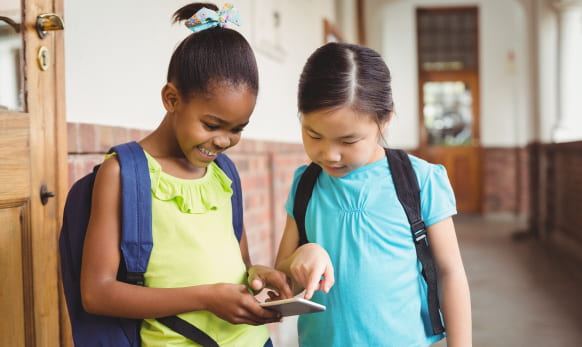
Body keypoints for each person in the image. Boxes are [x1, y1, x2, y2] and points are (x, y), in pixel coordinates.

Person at [80, 3, 292, 346]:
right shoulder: (125, 173)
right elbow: (97, 293)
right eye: (211, 124)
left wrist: (259, 274)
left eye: (238, 128)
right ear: (171, 99)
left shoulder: (224, 173)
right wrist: (206, 298)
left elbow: (241, 265)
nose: (224, 141)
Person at [275, 42, 472, 346]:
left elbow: (451, 272)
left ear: (385, 119)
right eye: (313, 135)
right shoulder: (306, 185)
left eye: (349, 140)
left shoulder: (420, 180)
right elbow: (283, 278)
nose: (330, 154)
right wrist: (297, 259)